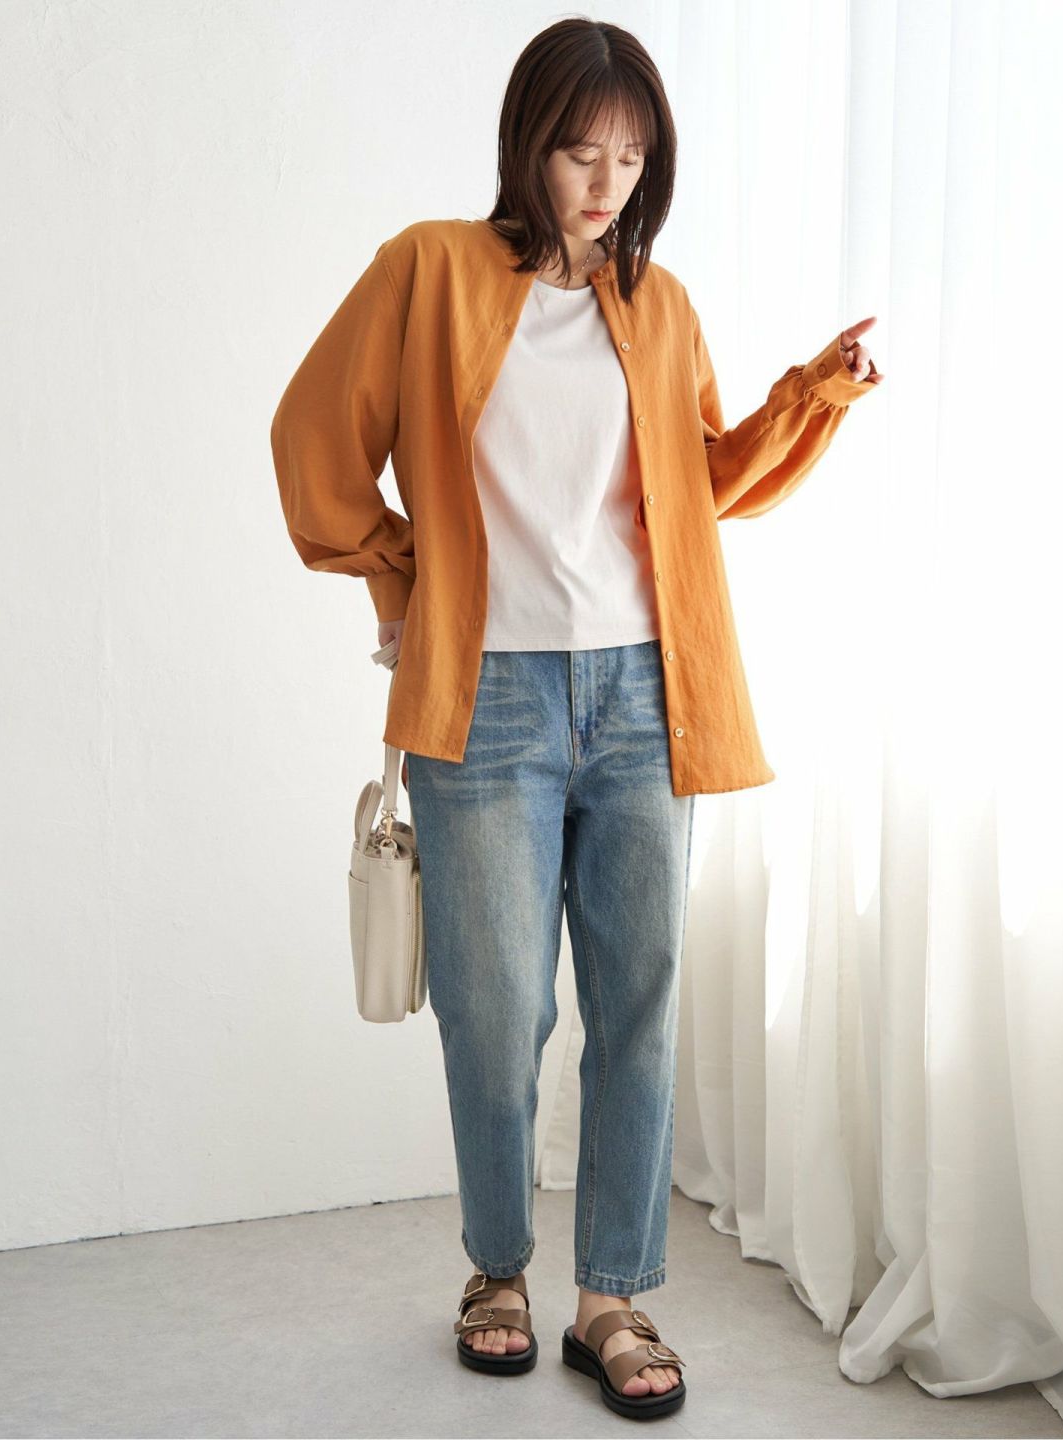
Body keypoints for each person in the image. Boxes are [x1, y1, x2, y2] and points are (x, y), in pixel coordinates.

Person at [271, 17, 881, 1421]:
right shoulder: (428, 270)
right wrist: (399, 577)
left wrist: (815, 396)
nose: (606, 183)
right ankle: (498, 1269)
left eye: (631, 156)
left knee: (639, 1001)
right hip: (487, 698)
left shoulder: (657, 307)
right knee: (498, 1011)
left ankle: (613, 1295)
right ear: (527, 146)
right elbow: (313, 442)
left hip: (645, 692)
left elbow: (701, 483)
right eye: (579, 151)